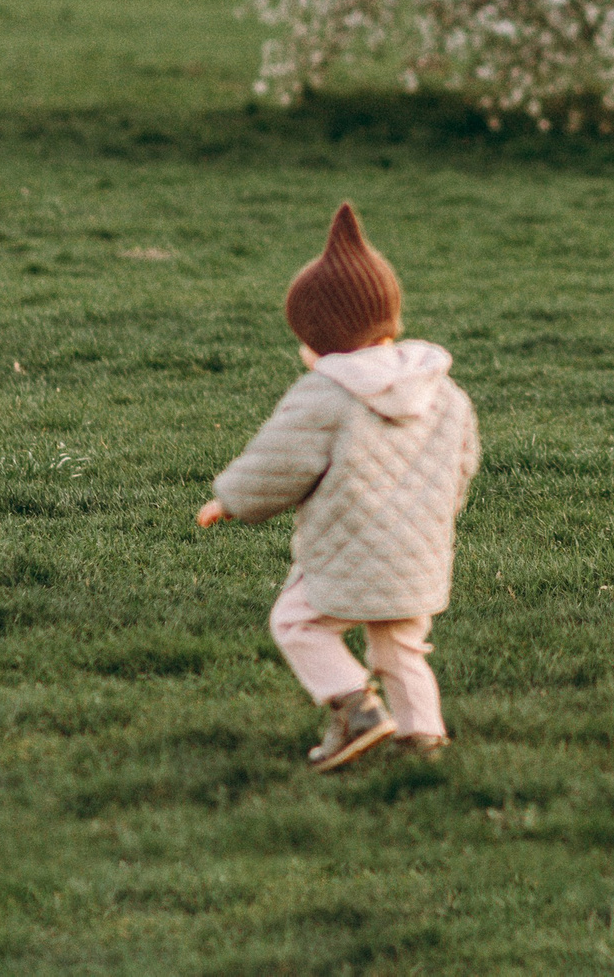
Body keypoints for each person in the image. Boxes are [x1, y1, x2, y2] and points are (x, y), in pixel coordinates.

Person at [197, 203, 481, 769]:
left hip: (348, 551)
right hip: (421, 551)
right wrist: (438, 515)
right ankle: (424, 737)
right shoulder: (442, 391)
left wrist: (231, 500)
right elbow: (462, 464)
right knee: (400, 645)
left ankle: (356, 708)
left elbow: (279, 460)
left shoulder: (326, 393)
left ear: (319, 341)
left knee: (297, 621)